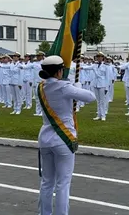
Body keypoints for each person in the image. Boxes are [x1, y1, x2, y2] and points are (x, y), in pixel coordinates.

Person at [37, 55, 96, 215]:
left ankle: (44, 213)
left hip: (45, 138)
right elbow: (91, 97)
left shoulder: (41, 87)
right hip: (62, 139)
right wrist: (77, 85)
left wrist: (71, 85)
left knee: (47, 182)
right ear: (58, 72)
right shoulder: (64, 87)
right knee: (63, 184)